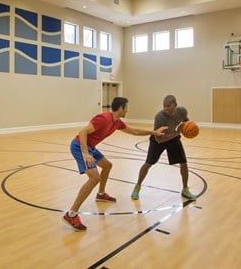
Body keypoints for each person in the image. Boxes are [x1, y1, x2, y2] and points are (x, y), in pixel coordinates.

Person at [62, 97, 167, 231]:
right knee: (94, 178)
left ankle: (101, 194)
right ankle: (71, 214)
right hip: (79, 146)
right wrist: (86, 154)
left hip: (91, 147)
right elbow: (83, 132)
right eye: (126, 107)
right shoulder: (103, 118)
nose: (127, 110)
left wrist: (153, 132)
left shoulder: (117, 123)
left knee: (107, 165)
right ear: (121, 108)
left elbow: (134, 131)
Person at [130, 95, 197, 201]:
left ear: (175, 104)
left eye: (169, 106)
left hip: (173, 138)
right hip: (158, 140)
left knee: (183, 162)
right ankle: (137, 186)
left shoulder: (182, 111)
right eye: (164, 106)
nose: (166, 108)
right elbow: (159, 139)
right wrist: (177, 133)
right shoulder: (159, 117)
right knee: (148, 163)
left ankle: (185, 189)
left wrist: (189, 127)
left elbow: (186, 120)